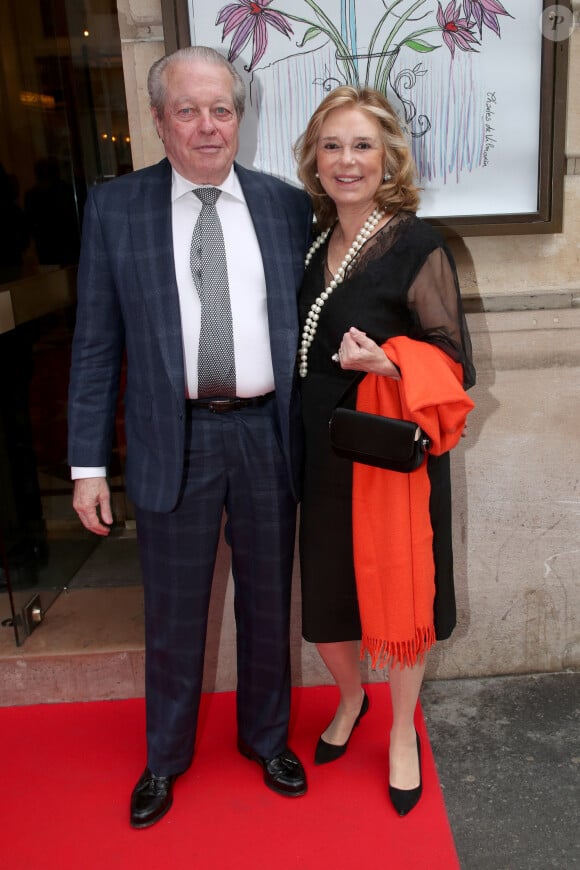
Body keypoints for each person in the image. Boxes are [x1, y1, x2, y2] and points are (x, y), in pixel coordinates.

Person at [68, 46, 312, 829]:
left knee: (270, 604)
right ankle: (165, 759)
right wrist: (86, 465)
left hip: (267, 434)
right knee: (174, 614)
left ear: (240, 117)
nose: (208, 127)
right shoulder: (116, 208)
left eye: (223, 110)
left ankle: (266, 739)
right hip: (175, 437)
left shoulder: (283, 206)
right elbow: (96, 342)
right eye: (189, 110)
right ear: (158, 118)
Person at [294, 86, 475, 816]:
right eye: (332, 145)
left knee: (400, 597)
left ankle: (401, 729)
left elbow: (455, 363)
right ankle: (349, 699)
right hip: (318, 451)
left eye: (362, 145)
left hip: (389, 455)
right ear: (314, 157)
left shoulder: (416, 243)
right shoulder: (313, 240)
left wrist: (390, 364)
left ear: (388, 157)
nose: (346, 160)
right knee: (330, 603)